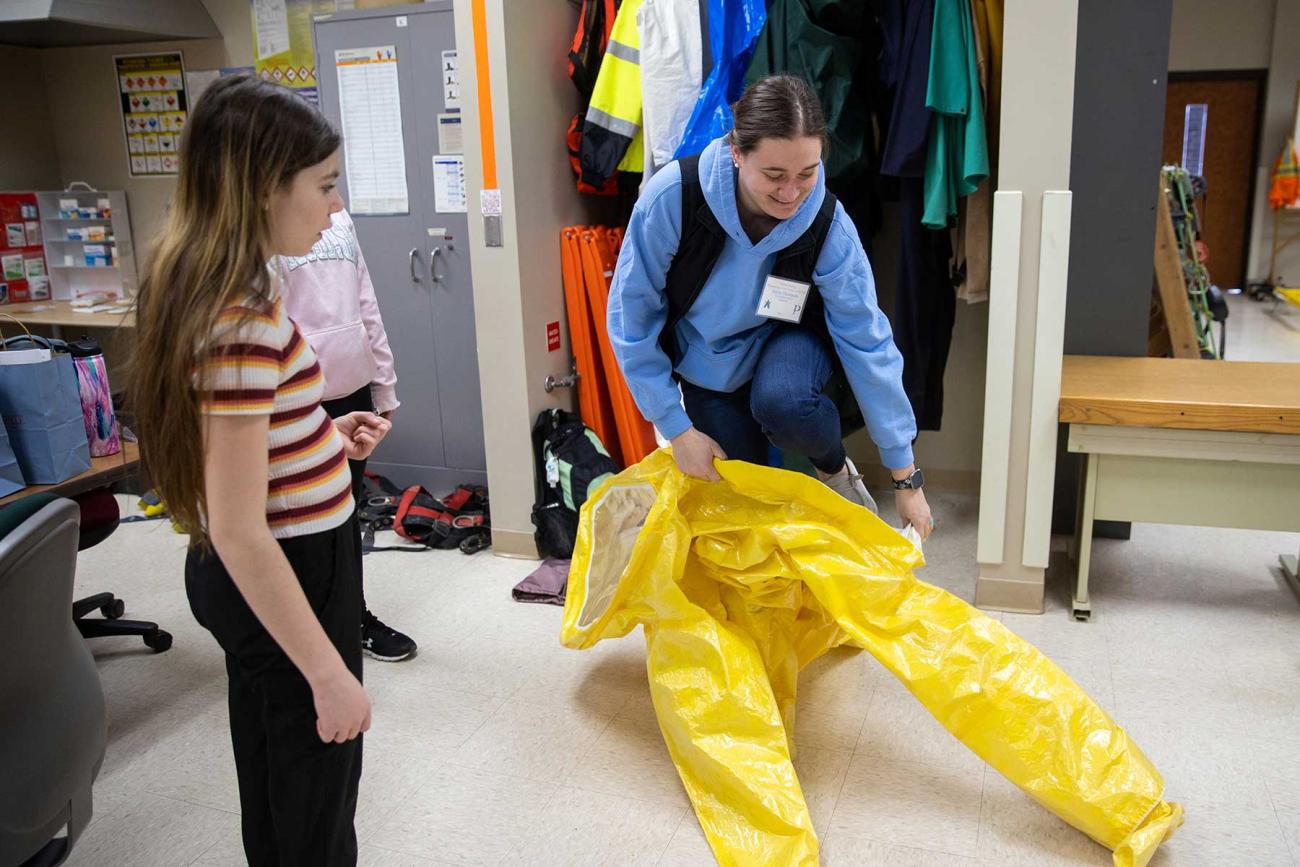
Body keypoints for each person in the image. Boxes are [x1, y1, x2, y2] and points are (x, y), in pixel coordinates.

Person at [128, 76, 391, 866]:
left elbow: (242, 437)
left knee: (280, 775)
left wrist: (319, 431)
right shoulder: (239, 317)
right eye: (323, 186)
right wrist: (330, 673)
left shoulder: (226, 286)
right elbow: (240, 527)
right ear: (262, 188)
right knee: (315, 787)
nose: (334, 208)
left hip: (279, 559)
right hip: (285, 570)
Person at [608, 74, 935, 539]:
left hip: (789, 339)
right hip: (709, 360)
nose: (790, 193)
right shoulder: (671, 200)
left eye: (807, 173)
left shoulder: (827, 225)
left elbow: (867, 341)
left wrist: (905, 475)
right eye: (774, 175)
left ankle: (834, 471)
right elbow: (631, 320)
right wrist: (677, 429)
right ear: (737, 152)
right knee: (742, 515)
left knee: (783, 403)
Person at [280, 209, 417, 662]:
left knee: (346, 515)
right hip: (300, 395)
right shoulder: (270, 230)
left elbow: (366, 304)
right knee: (304, 523)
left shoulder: (339, 220)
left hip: (351, 386)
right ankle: (307, 632)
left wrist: (383, 382)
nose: (334, 196)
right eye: (323, 182)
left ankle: (352, 617)